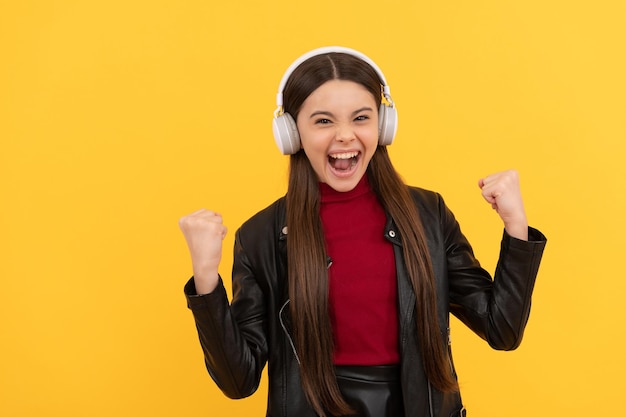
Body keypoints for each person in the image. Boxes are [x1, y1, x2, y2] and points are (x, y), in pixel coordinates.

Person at [179, 46, 547, 417]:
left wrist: (516, 227)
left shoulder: (428, 215)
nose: (344, 136)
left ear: (383, 125)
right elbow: (238, 381)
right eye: (323, 121)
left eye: (361, 118)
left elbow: (502, 329)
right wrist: (206, 280)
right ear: (292, 133)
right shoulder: (259, 236)